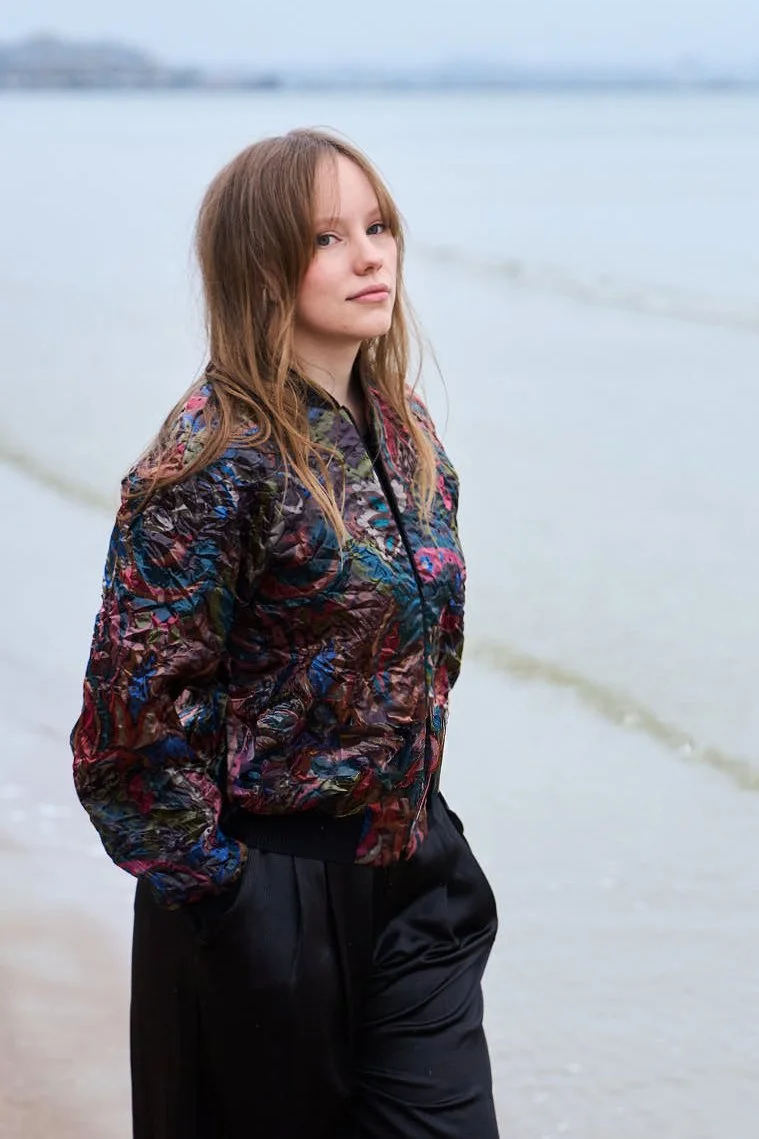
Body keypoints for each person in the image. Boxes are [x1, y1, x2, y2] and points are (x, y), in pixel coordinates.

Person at [71, 127, 499, 1139]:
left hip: (413, 880)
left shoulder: (403, 429)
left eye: (378, 224)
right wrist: (230, 900)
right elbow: (124, 730)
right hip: (264, 899)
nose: (370, 254)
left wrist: (427, 841)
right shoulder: (209, 459)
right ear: (260, 267)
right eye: (327, 237)